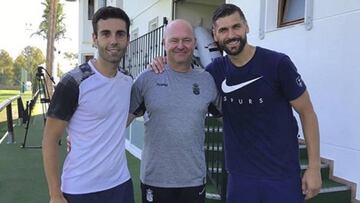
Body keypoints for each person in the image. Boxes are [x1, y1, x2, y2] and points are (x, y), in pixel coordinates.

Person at [151, 4, 322, 203]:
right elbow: (185, 79)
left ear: (247, 27)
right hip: (240, 179)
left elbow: (307, 113)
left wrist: (314, 167)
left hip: (281, 176)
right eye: (223, 30)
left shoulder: (278, 64)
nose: (231, 35)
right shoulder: (214, 72)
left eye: (236, 27)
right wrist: (162, 62)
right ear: (215, 35)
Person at [42, 6, 134, 203]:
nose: (113, 41)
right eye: (105, 34)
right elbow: (50, 140)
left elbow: (118, 118)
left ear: (128, 39)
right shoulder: (73, 82)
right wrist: (55, 195)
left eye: (120, 34)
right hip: (80, 188)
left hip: (121, 185)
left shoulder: (127, 81)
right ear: (94, 38)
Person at [128, 19, 221, 203]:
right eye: (174, 40)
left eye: (186, 40)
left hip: (193, 180)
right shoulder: (146, 79)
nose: (180, 45)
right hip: (155, 180)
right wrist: (83, 135)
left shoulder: (206, 80)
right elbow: (120, 119)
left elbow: (228, 118)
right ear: (164, 43)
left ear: (195, 43)